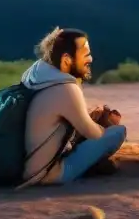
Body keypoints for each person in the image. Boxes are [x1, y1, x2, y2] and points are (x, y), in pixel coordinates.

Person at [22, 27, 127, 185]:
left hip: (26, 169)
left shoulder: (36, 76)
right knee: (118, 132)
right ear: (66, 60)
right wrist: (103, 124)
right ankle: (94, 165)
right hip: (49, 174)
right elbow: (94, 134)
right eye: (86, 55)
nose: (90, 59)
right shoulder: (65, 88)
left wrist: (86, 118)